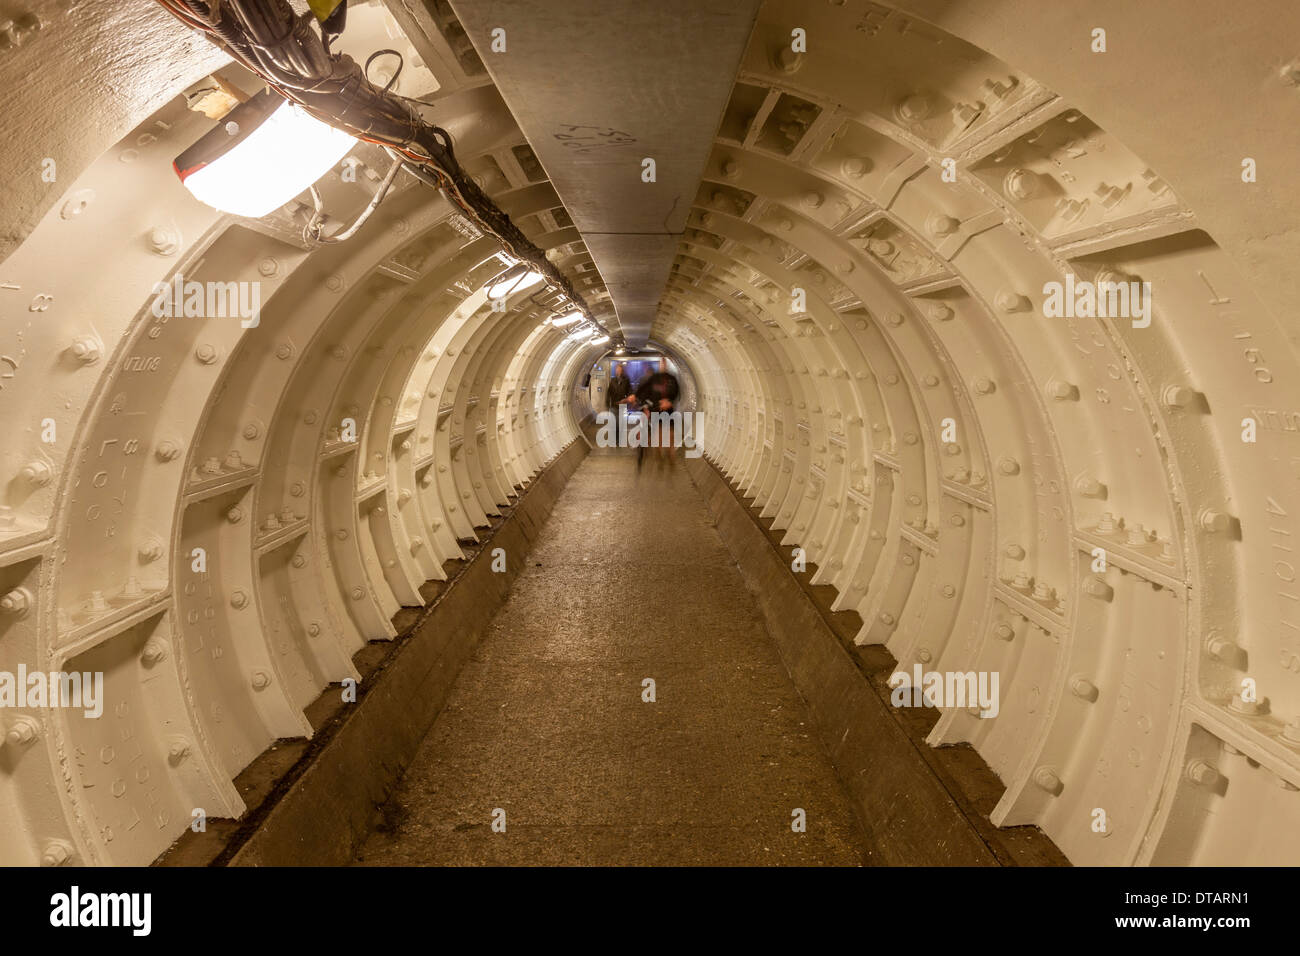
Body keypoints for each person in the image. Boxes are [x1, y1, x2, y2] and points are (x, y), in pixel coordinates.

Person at [634, 359, 680, 467]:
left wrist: (669, 401)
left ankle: (670, 454)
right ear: (659, 365)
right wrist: (646, 404)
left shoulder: (672, 379)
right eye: (661, 363)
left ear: (666, 365)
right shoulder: (653, 379)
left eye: (664, 363)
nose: (662, 365)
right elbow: (644, 392)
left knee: (670, 434)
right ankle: (658, 455)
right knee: (657, 434)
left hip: (668, 410)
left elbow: (676, 392)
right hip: (656, 409)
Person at [605, 362, 632, 445]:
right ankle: (615, 438)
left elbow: (630, 392)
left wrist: (627, 400)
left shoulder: (626, 380)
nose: (618, 371)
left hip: (623, 405)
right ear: (615, 371)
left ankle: (619, 439)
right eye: (617, 369)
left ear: (622, 371)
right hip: (614, 404)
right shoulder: (612, 380)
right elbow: (609, 392)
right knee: (614, 422)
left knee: (621, 423)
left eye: (620, 369)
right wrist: (607, 403)